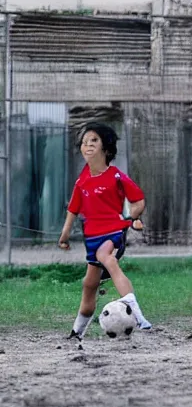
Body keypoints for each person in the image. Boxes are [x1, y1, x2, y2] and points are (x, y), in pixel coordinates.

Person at [58, 122, 151, 340]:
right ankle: (76, 333)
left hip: (113, 232)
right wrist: (64, 236)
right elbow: (73, 209)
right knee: (89, 285)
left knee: (106, 257)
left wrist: (130, 217)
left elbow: (138, 201)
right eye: (84, 142)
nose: (87, 145)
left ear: (106, 148)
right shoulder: (82, 182)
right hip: (92, 236)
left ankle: (136, 312)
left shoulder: (116, 176)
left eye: (94, 141)